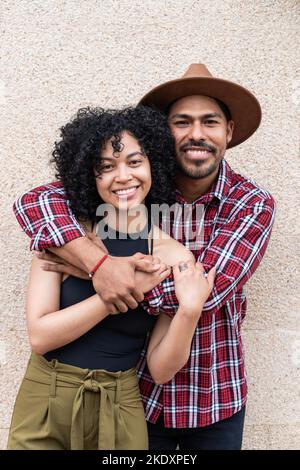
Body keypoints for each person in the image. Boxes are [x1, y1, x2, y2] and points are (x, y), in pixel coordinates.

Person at [13, 64, 275, 450]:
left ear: (229, 131)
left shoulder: (249, 204)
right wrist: (99, 264)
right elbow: (34, 202)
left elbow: (207, 291)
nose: (196, 134)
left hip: (212, 395)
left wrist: (99, 276)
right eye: (182, 122)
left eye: (210, 122)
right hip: (140, 399)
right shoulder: (108, 213)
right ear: (163, 138)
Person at [8, 106, 215, 450]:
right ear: (90, 176)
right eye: (106, 167)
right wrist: (116, 293)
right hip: (45, 399)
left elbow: (161, 371)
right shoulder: (68, 237)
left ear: (155, 166)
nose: (122, 176)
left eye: (135, 162)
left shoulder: (172, 255)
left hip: (120, 406)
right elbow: (40, 336)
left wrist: (190, 312)